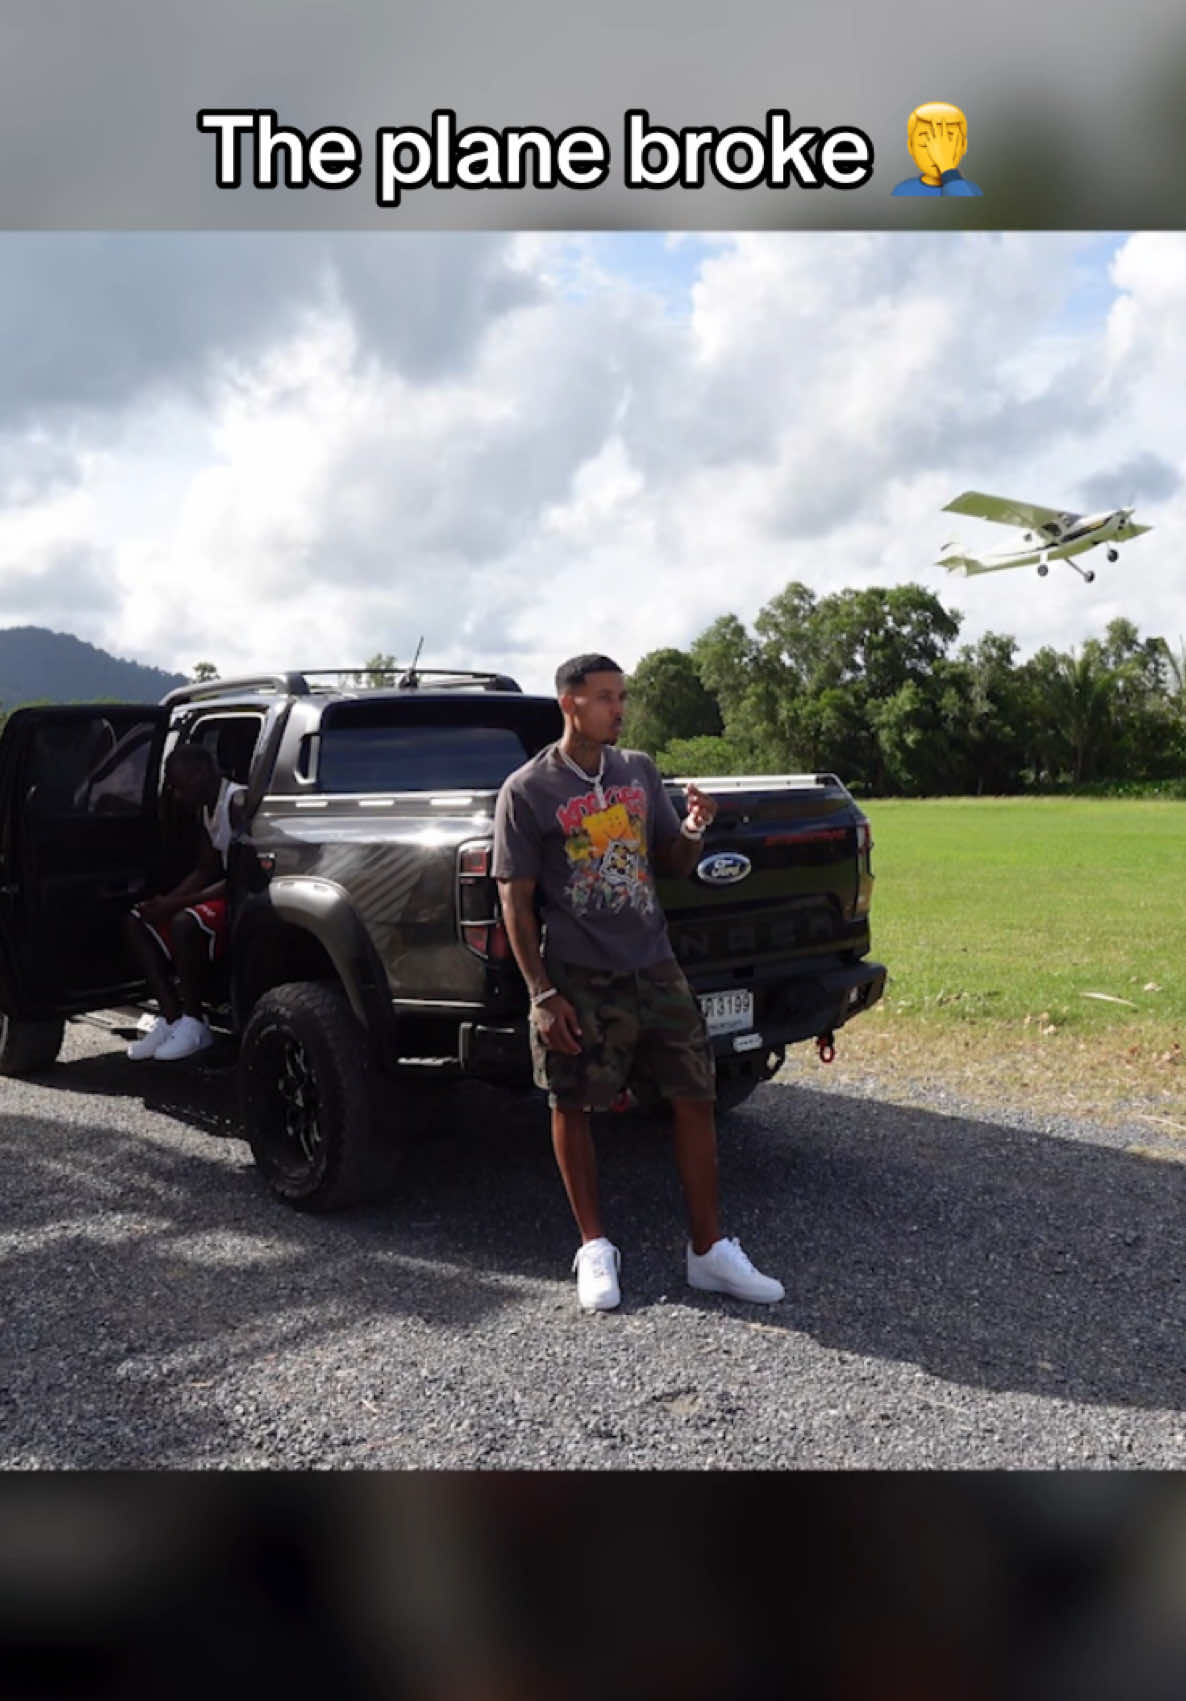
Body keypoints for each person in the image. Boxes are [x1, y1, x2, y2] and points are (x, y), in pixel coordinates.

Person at [493, 653, 784, 1313]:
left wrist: (694, 827)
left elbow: (672, 861)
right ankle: (594, 1246)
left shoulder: (638, 771)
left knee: (695, 1091)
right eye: (605, 698)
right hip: (579, 971)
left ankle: (708, 1249)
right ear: (569, 703)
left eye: (621, 697)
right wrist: (542, 994)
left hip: (654, 962)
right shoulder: (528, 789)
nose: (618, 709)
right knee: (571, 1100)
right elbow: (515, 899)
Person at [122, 744, 246, 1062]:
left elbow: (240, 878)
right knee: (137, 920)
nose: (176, 796)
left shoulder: (236, 802)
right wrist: (167, 901)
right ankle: (171, 1017)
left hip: (242, 897)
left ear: (201, 773)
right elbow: (206, 868)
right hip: (222, 890)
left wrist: (177, 905)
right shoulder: (205, 808)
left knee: (184, 923)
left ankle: (195, 1022)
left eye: (179, 786)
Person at [891, 102, 982, 197]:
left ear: (964, 146)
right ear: (910, 146)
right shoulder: (902, 191)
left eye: (946, 146)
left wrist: (946, 166)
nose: (936, 156)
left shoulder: (972, 191)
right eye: (924, 145)